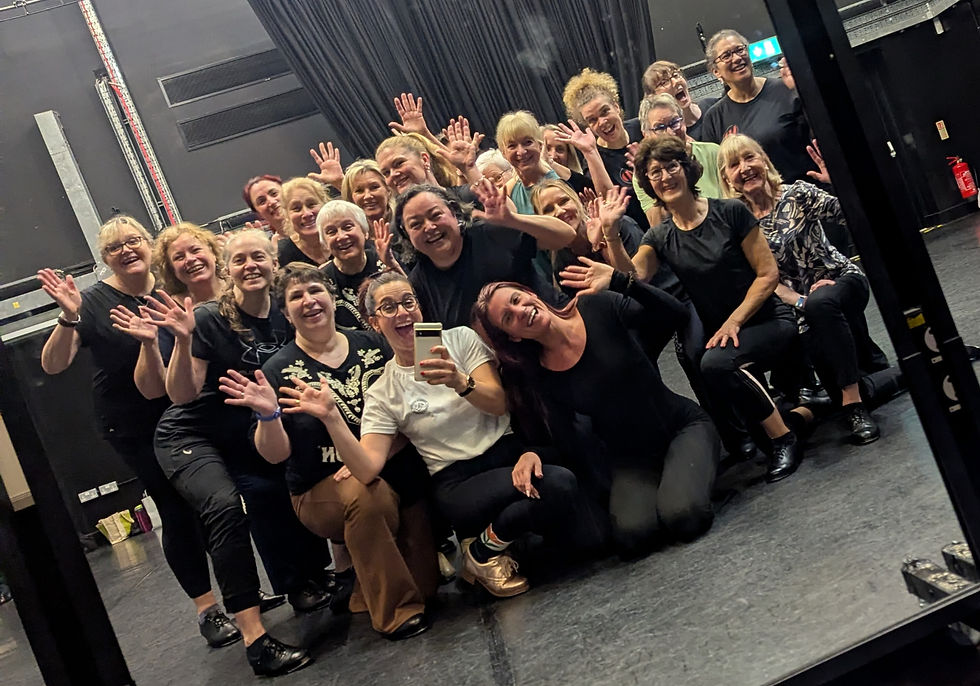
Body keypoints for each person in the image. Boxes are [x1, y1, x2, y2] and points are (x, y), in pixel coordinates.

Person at [329, 271, 584, 597]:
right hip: (458, 481)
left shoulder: (460, 339)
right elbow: (367, 466)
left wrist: (459, 382)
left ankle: (483, 547)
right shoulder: (383, 391)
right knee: (559, 485)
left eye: (408, 302)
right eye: (389, 308)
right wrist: (330, 417)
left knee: (581, 528)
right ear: (374, 322)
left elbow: (497, 403)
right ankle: (482, 552)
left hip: (506, 453)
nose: (403, 312)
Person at [37, 217, 228, 649]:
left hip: (185, 409)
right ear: (105, 259)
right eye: (114, 248)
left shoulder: (171, 287)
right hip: (133, 423)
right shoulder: (90, 301)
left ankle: (239, 593)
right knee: (176, 509)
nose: (126, 250)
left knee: (213, 502)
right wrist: (68, 317)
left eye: (133, 241)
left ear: (148, 244)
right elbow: (52, 364)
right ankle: (207, 608)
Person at [221, 264, 438, 640]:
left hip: (385, 467)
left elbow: (415, 404)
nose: (309, 301)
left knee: (429, 588)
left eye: (315, 291)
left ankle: (363, 590)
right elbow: (274, 455)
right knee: (367, 495)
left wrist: (371, 457)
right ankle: (396, 613)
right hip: (320, 488)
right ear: (285, 313)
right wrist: (269, 416)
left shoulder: (373, 343)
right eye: (296, 297)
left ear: (333, 298)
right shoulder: (277, 369)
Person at [149, 230, 327, 677]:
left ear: (273, 261)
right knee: (225, 506)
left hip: (242, 432)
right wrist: (185, 341)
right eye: (240, 259)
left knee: (275, 487)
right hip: (190, 434)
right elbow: (181, 394)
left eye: (259, 257)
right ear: (227, 269)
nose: (251, 266)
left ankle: (302, 581)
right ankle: (256, 639)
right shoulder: (208, 318)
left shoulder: (285, 313)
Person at [474, 262, 720, 556]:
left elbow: (676, 314)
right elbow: (566, 443)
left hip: (680, 427)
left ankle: (688, 480)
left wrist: (623, 282)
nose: (520, 310)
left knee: (684, 517)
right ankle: (674, 485)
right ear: (512, 336)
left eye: (517, 299)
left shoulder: (595, 307)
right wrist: (532, 453)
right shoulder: (539, 375)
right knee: (634, 538)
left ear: (531, 294)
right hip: (632, 459)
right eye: (508, 317)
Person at [620, 136, 805, 483]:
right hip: (728, 336)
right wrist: (611, 234)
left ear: (687, 170)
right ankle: (784, 426)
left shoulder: (730, 211)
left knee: (715, 362)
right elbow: (633, 275)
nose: (664, 177)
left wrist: (733, 322)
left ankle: (785, 438)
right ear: (649, 184)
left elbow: (768, 275)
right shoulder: (659, 236)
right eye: (654, 172)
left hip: (767, 320)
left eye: (671, 166)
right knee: (716, 363)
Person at [718, 133, 886, 444]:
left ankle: (855, 407)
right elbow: (760, 277)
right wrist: (801, 300)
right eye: (734, 164)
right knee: (822, 336)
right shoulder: (735, 222)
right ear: (726, 177)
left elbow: (853, 214)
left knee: (822, 304)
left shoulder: (797, 194)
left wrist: (839, 183)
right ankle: (868, 389)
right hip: (797, 306)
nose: (744, 167)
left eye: (749, 157)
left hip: (840, 280)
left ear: (765, 161)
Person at [396, 180, 575, 327]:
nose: (429, 227)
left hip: (558, 326)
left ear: (454, 212)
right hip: (505, 365)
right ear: (407, 235)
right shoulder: (418, 284)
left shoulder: (490, 234)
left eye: (435, 215)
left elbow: (565, 236)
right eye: (416, 224)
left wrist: (513, 220)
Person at [699, 29, 815, 184]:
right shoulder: (714, 118)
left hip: (807, 193)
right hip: (758, 204)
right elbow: (720, 175)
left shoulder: (786, 89)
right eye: (726, 56)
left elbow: (820, 132)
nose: (736, 58)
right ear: (716, 72)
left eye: (740, 50)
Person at [561, 68, 647, 228]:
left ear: (616, 106)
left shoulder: (643, 127)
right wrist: (590, 152)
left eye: (605, 111)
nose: (602, 122)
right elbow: (611, 202)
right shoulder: (594, 159)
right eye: (592, 120)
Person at [529, 181, 642, 296]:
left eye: (564, 201)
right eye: (548, 210)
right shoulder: (561, 261)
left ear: (577, 200)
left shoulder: (620, 225)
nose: (559, 211)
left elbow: (638, 284)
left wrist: (605, 239)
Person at [634, 94, 724, 226]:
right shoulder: (645, 173)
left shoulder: (713, 152)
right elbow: (658, 225)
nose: (670, 132)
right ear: (646, 135)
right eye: (660, 128)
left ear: (683, 121)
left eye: (674, 122)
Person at [317, 200, 400, 331]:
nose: (342, 236)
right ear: (324, 243)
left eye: (348, 227)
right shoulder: (322, 280)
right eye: (331, 232)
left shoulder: (388, 260)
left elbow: (415, 302)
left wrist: (393, 266)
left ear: (365, 232)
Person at [642, 60, 717, 141]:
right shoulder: (672, 135)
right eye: (664, 82)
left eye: (676, 75)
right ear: (654, 96)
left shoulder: (712, 106)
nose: (676, 82)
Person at [276, 177, 330, 266]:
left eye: (311, 204)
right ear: (286, 216)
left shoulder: (343, 239)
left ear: (325, 204)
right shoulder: (282, 255)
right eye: (296, 208)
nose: (307, 214)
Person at [242, 175, 287, 247]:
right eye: (262, 201)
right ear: (258, 212)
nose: (272, 202)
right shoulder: (271, 249)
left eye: (274, 193)